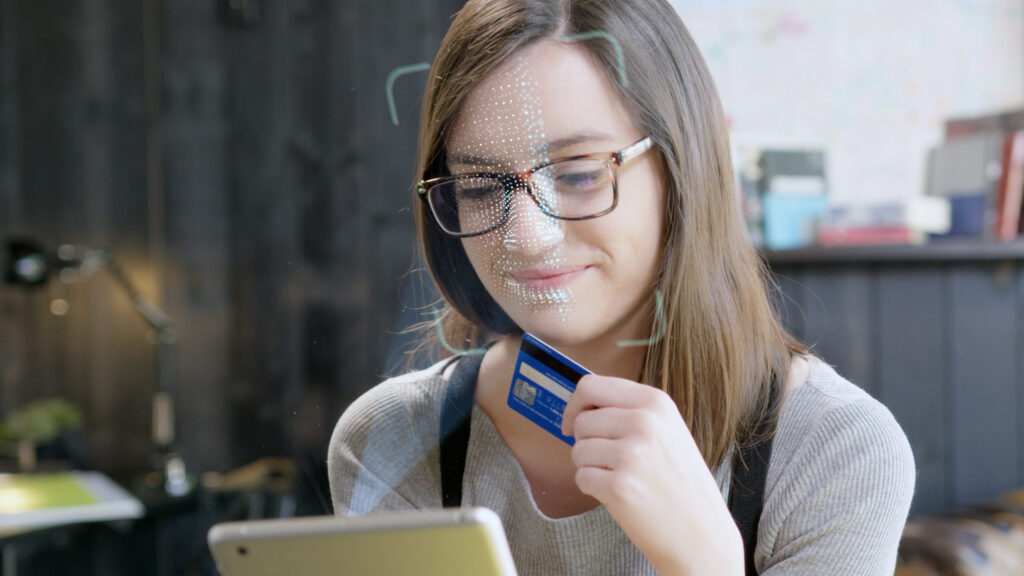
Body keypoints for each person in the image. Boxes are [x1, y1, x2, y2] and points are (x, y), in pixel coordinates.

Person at [328, 0, 916, 574]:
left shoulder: (835, 449)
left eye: (580, 174)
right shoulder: (390, 440)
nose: (527, 238)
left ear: (681, 168)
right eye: (480, 187)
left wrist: (704, 564)